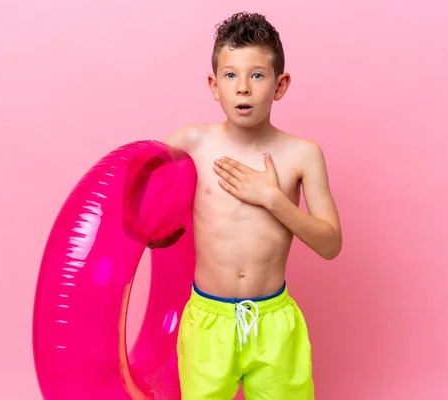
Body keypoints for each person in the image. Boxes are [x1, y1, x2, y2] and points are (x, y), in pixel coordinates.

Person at [164, 11, 342, 400]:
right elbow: (140, 197)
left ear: (281, 85)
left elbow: (330, 245)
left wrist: (274, 200)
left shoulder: (302, 155)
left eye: (257, 75)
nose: (242, 88)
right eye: (230, 75)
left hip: (274, 323)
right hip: (208, 321)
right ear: (214, 85)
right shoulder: (190, 144)